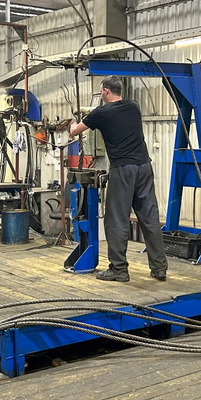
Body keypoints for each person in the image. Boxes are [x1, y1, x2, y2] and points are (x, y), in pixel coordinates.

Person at [70, 75, 168, 282]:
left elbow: (75, 131)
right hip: (144, 166)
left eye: (101, 91)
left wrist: (73, 123)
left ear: (106, 91)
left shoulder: (101, 112)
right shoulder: (134, 106)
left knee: (116, 220)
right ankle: (159, 268)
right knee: (149, 218)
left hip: (123, 169)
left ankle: (119, 269)